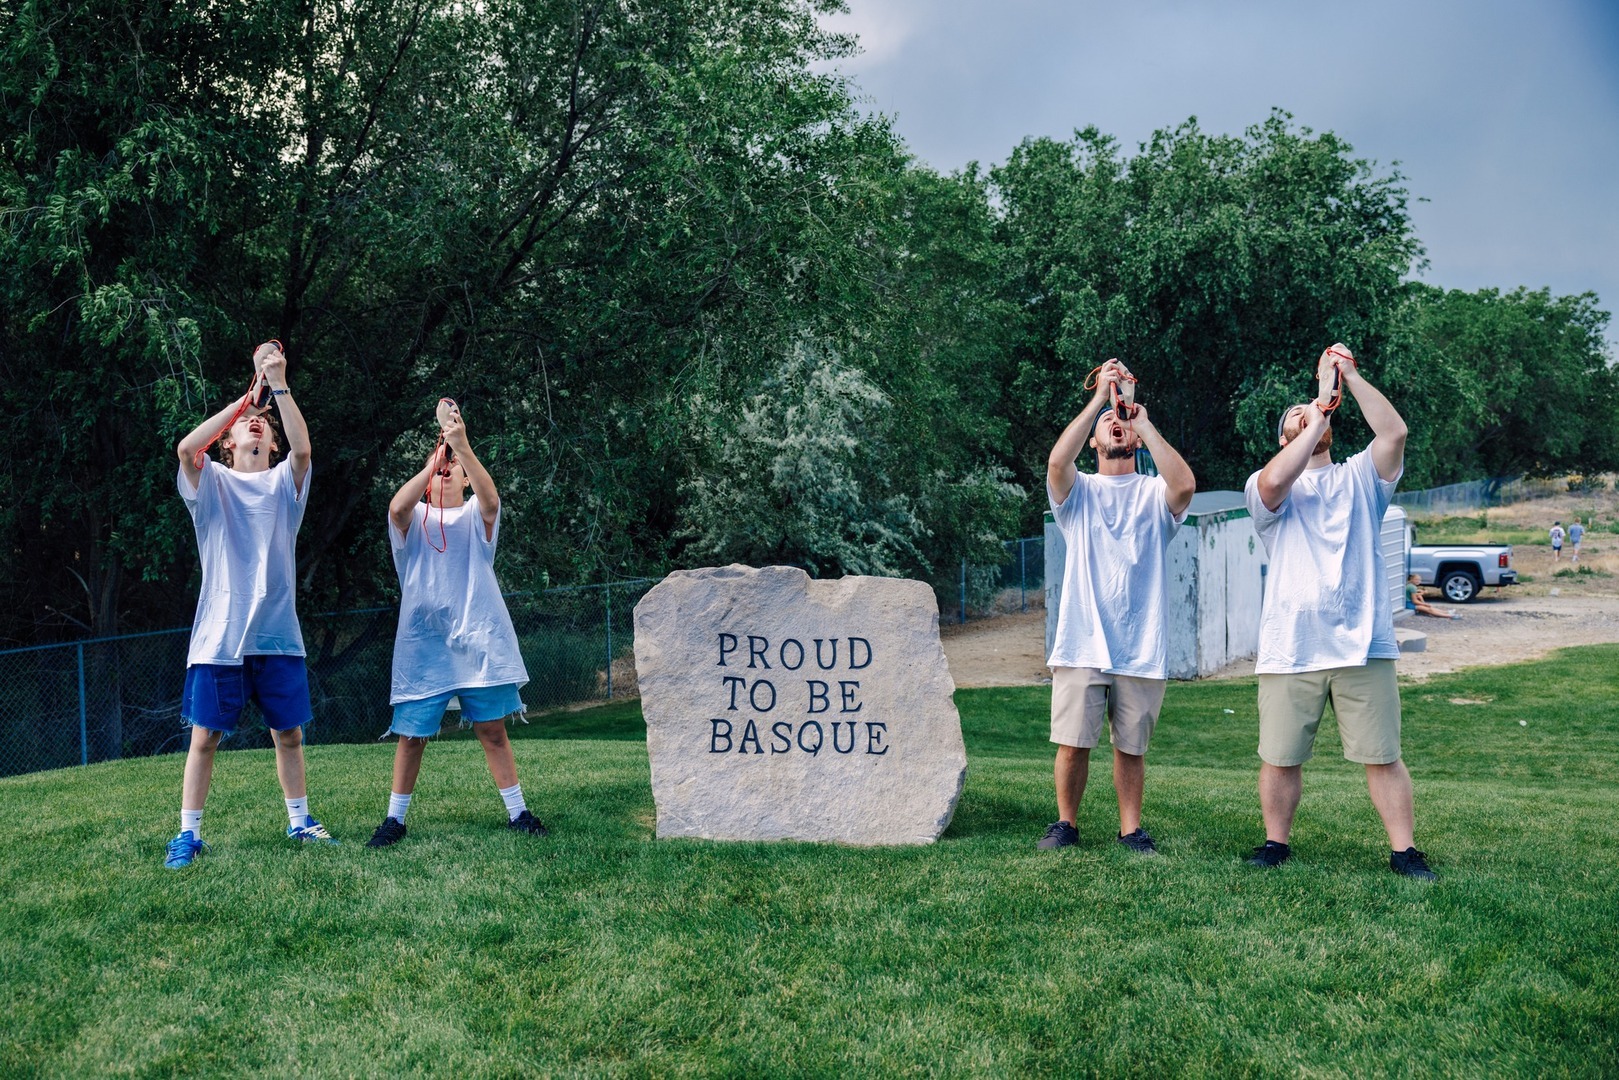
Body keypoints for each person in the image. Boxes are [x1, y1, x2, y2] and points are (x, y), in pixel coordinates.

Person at [1243, 344, 1437, 880]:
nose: (1311, 415)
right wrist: (1317, 413)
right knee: (1280, 756)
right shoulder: (1265, 486)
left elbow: (1393, 434)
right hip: (1292, 646)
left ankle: (1405, 852)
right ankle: (1275, 844)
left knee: (1383, 754)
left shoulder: (1359, 477)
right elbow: (1276, 482)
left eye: (1316, 412)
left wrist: (1346, 377)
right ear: (1285, 439)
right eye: (1297, 418)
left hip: (1363, 643)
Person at [165, 341, 333, 869]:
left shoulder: (286, 485)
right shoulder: (210, 484)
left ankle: (300, 821)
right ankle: (188, 836)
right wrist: (244, 401)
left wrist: (277, 384)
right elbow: (185, 449)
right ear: (227, 442)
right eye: (247, 423)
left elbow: (304, 451)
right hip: (220, 635)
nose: (257, 425)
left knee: (289, 734)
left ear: (273, 444)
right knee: (205, 738)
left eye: (265, 422)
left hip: (277, 633)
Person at [366, 399, 549, 847]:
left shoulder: (473, 516)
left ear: (465, 476)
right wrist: (435, 459)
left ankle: (518, 812)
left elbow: (491, 501)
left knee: (492, 731)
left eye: (454, 469)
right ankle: (395, 820)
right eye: (440, 468)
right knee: (412, 737)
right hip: (424, 647)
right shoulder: (416, 521)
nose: (446, 471)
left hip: (478, 642)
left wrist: (461, 446)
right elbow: (395, 508)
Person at [1039, 359, 1195, 853]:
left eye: (1121, 423)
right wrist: (1099, 399)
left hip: (1140, 643)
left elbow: (1185, 485)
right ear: (1094, 440)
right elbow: (1056, 464)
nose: (1116, 425)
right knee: (1073, 742)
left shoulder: (1154, 493)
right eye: (1109, 424)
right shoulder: (1078, 492)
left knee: (1131, 748)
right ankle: (1066, 824)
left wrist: (1140, 420)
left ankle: (1131, 830)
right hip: (1082, 640)